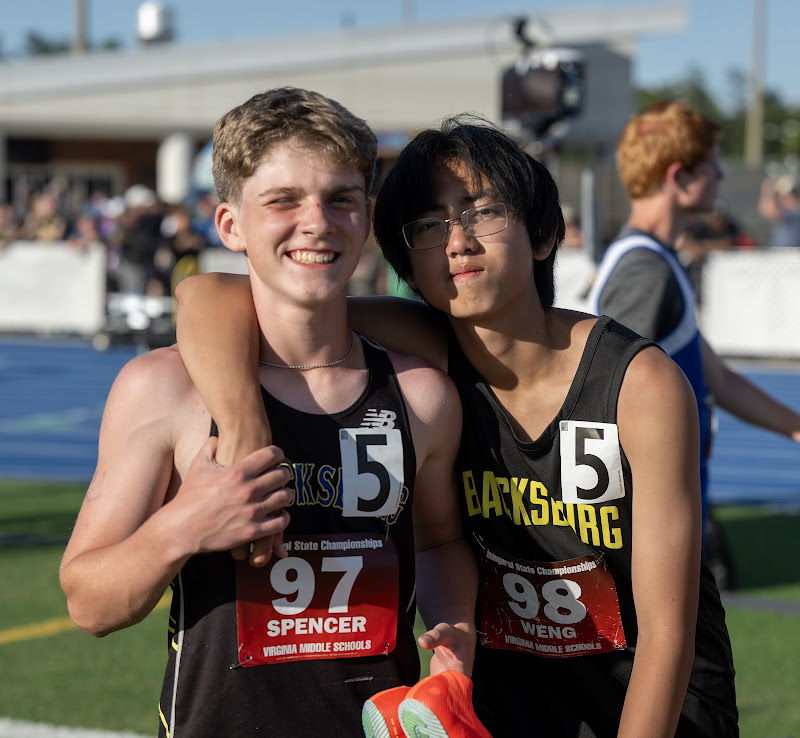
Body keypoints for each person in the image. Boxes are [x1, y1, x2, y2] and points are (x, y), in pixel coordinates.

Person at [175, 115, 738, 736]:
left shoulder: (639, 384)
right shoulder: (434, 350)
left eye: (481, 212)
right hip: (510, 703)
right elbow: (210, 294)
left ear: (545, 233)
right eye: (427, 227)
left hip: (654, 705)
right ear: (408, 270)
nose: (457, 241)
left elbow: (666, 631)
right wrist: (243, 424)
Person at [60, 87, 477, 738]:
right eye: (283, 200)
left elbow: (441, 539)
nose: (316, 222)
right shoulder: (163, 390)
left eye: (340, 198)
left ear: (364, 217)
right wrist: (184, 526)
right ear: (230, 226)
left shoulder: (422, 397)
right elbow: (89, 602)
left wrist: (457, 628)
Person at [587, 100, 800, 536]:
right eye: (712, 165)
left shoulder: (658, 261)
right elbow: (605, 402)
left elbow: (716, 378)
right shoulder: (646, 272)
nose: (721, 176)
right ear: (678, 176)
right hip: (650, 521)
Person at [758, 173, 800, 248]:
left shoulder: (795, 211)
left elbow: (770, 211)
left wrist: (768, 190)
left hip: (792, 255)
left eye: (785, 197)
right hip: (783, 254)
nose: (781, 200)